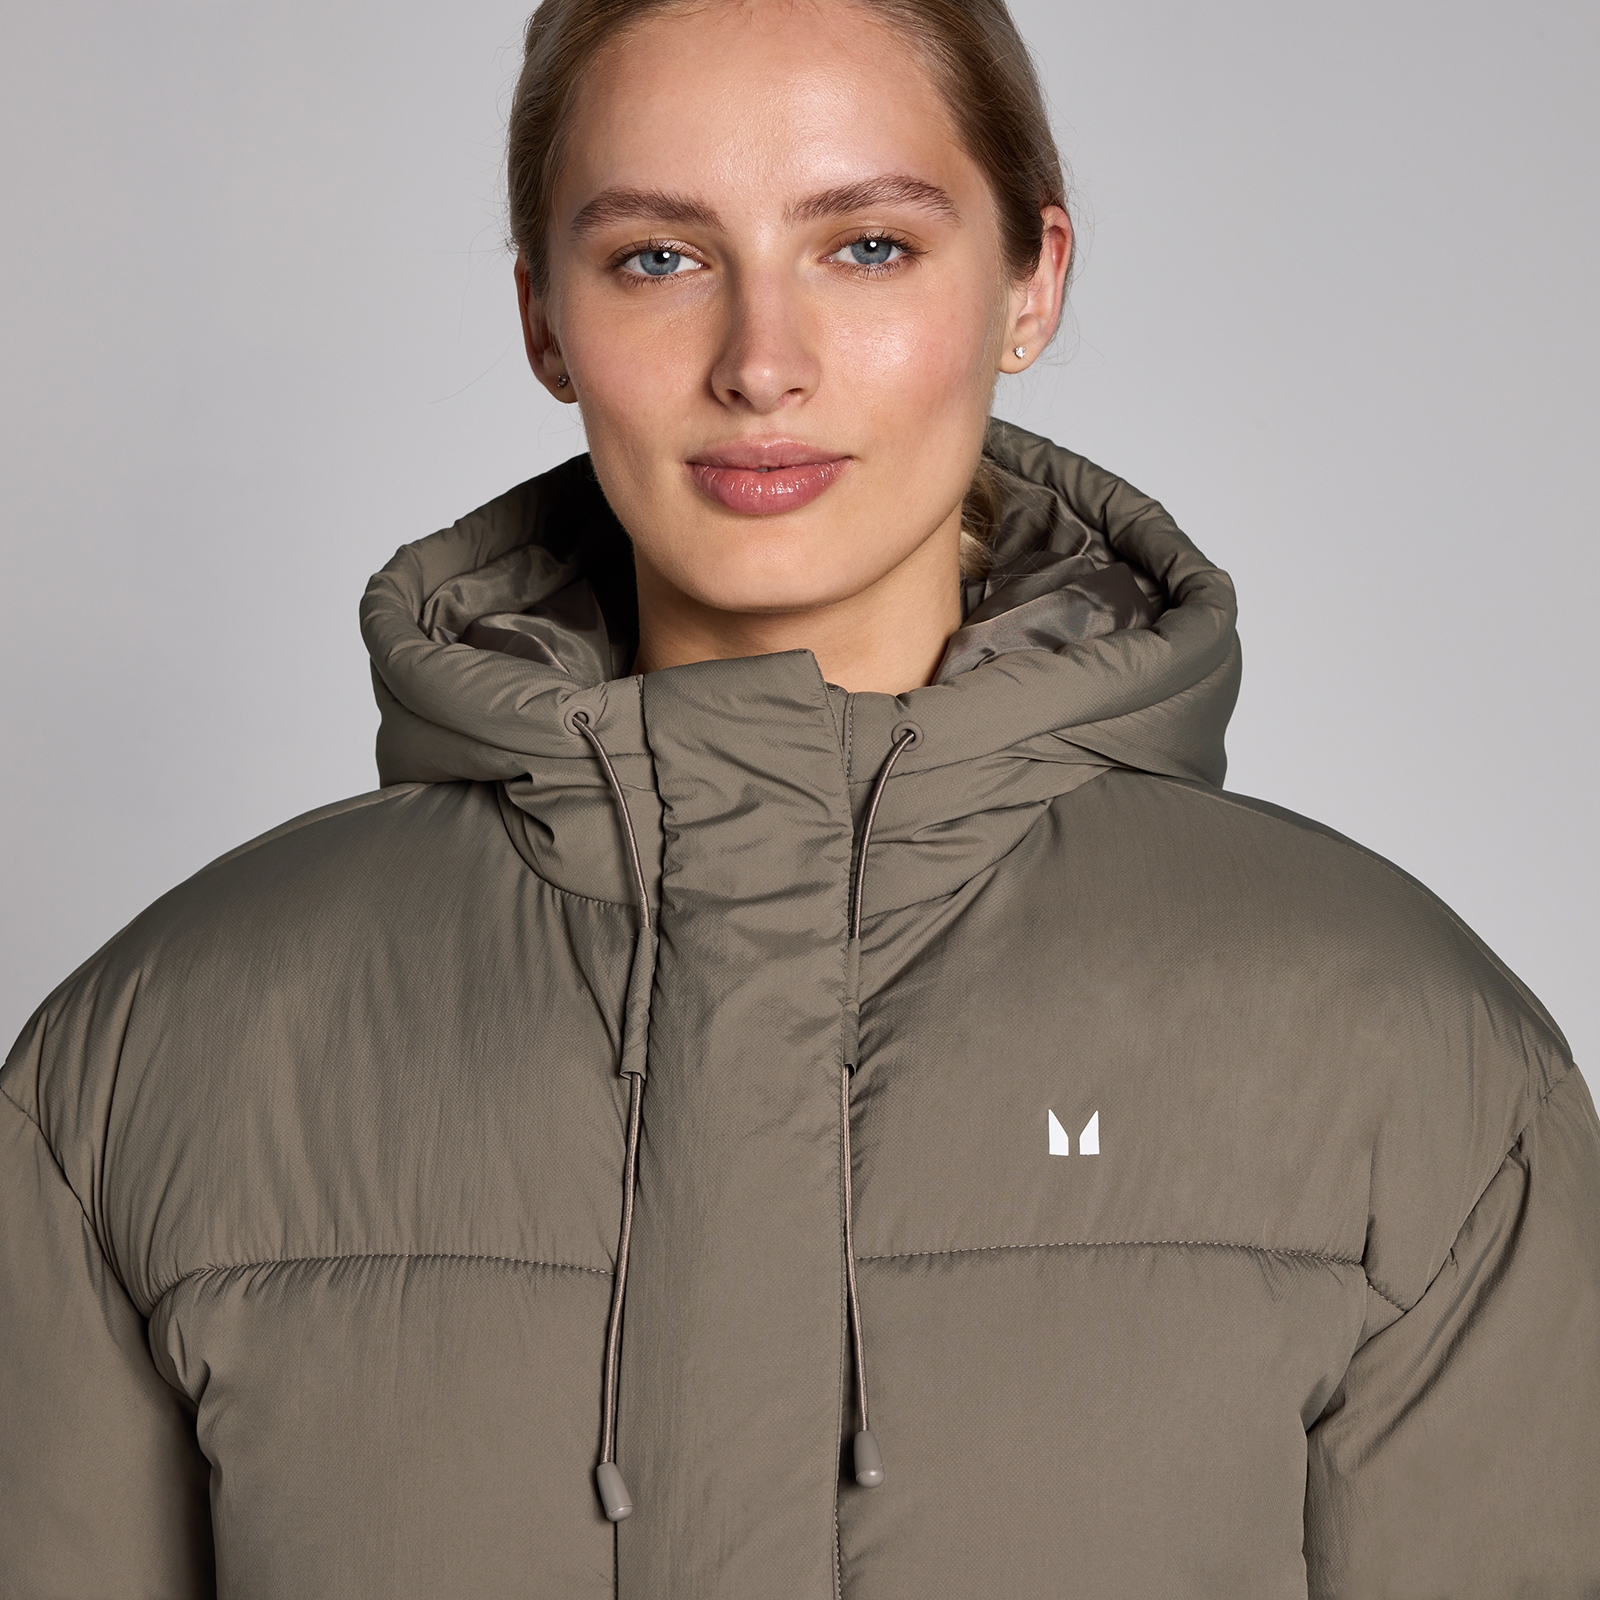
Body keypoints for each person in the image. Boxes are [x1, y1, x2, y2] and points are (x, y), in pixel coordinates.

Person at [3, 0, 1596, 1594]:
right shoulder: (156, 1070)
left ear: (1031, 282)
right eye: (657, 258)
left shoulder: (1401, 1061)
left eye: (868, 247)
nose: (761, 363)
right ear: (543, 316)